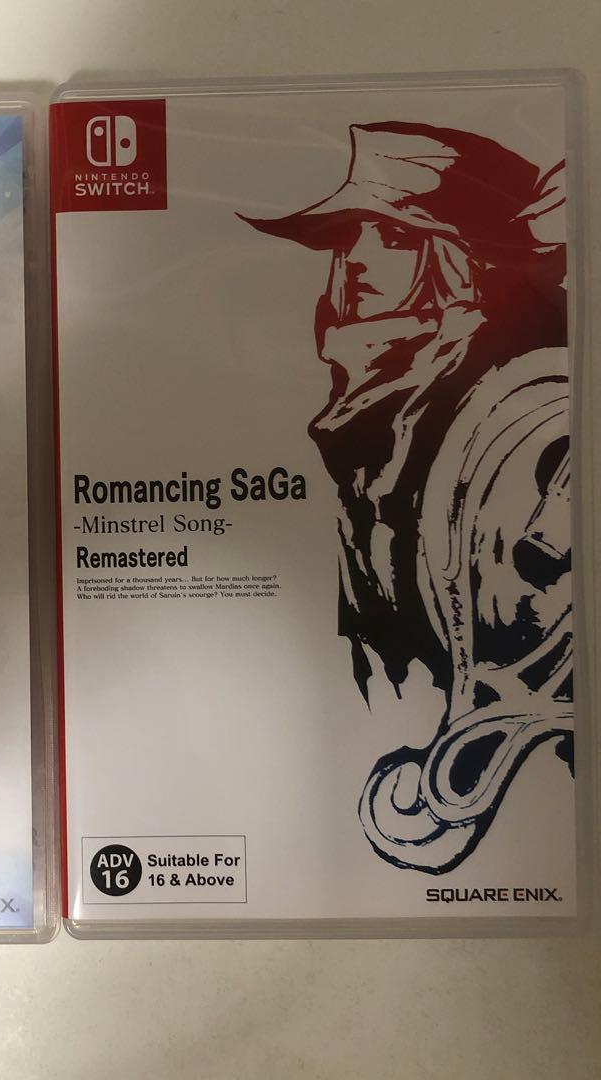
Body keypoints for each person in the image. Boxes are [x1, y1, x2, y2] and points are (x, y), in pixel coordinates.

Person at [239, 121, 571, 872]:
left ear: (456, 257)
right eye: (347, 235)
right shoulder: (371, 400)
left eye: (391, 236)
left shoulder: (521, 408)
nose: (356, 259)